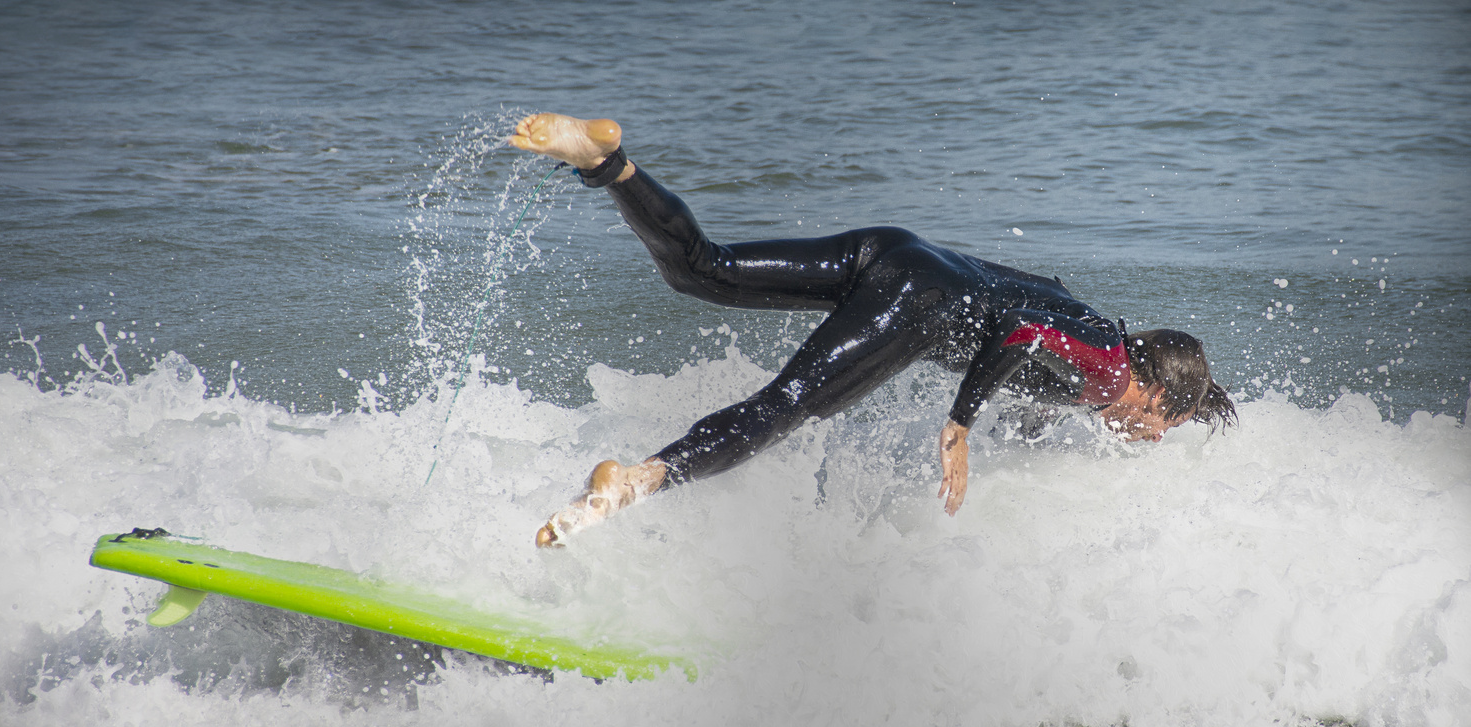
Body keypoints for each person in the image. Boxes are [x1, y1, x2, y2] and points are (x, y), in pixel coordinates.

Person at [508, 113, 1236, 548]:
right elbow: (1015, 330)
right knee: (785, 406)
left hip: (895, 251)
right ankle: (634, 482)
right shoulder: (1108, 369)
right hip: (918, 302)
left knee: (705, 270)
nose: (1145, 438)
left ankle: (606, 159)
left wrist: (1026, 432)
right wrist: (960, 426)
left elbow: (1026, 337)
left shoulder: (1085, 328)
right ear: (1153, 398)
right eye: (1162, 427)